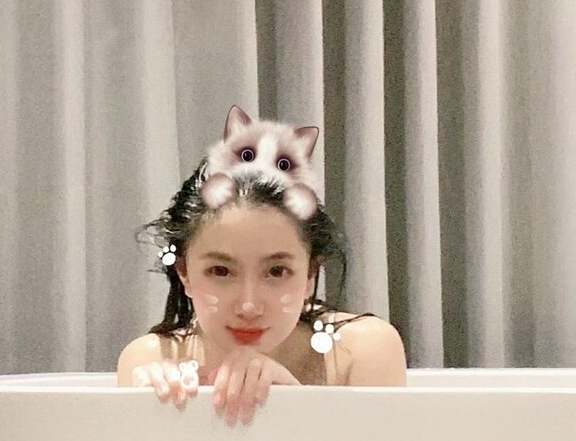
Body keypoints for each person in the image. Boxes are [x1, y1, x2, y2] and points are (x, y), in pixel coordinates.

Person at [116, 158, 407, 424]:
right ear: (184, 274)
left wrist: (295, 404)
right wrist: (159, 418)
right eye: (220, 271)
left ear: (309, 274)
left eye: (277, 271)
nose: (249, 306)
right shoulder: (151, 360)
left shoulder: (361, 352)